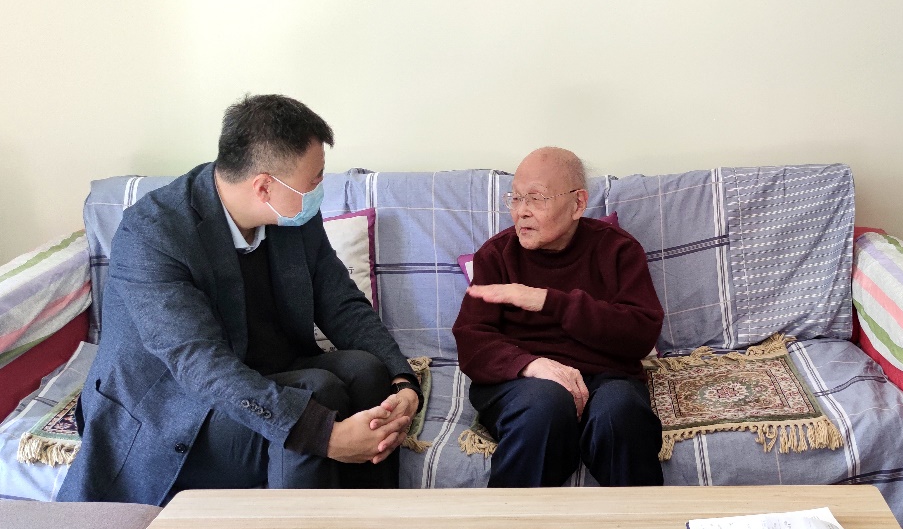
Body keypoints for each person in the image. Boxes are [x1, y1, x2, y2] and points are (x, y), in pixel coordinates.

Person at [59, 94, 421, 505]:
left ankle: (372, 520)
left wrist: (402, 379)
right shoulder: (154, 233)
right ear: (264, 186)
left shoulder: (292, 215)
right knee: (315, 396)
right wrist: (327, 436)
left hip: (260, 371)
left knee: (366, 372)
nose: (320, 188)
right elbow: (200, 364)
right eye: (315, 178)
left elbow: (341, 303)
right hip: (175, 407)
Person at [452, 147, 664, 487]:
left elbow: (641, 333)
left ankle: (636, 522)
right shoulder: (496, 256)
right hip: (523, 384)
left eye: (536, 199)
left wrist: (549, 302)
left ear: (578, 203)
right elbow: (472, 341)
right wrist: (530, 365)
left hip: (608, 378)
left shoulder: (618, 250)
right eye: (515, 198)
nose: (521, 212)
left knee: (620, 413)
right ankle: (509, 521)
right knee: (544, 406)